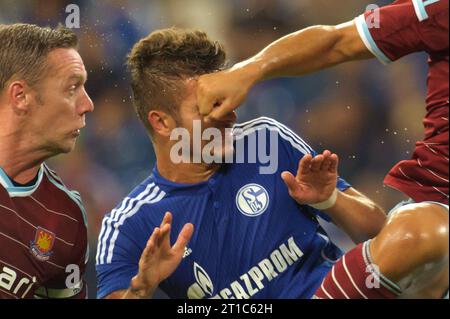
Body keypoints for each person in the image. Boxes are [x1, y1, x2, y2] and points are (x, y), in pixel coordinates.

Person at [95, 28, 387, 299]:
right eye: (210, 106)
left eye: (226, 99)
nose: (230, 114)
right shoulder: (130, 226)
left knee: (415, 231)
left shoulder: (267, 142)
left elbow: (378, 232)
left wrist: (329, 199)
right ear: (161, 122)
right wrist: (141, 289)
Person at [196, 0, 449, 298]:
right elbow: (338, 42)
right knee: (418, 233)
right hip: (438, 210)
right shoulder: (439, 10)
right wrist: (249, 70)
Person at [0, 24, 94, 299]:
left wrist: (137, 291)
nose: (87, 104)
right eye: (72, 88)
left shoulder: (67, 218)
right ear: (21, 96)